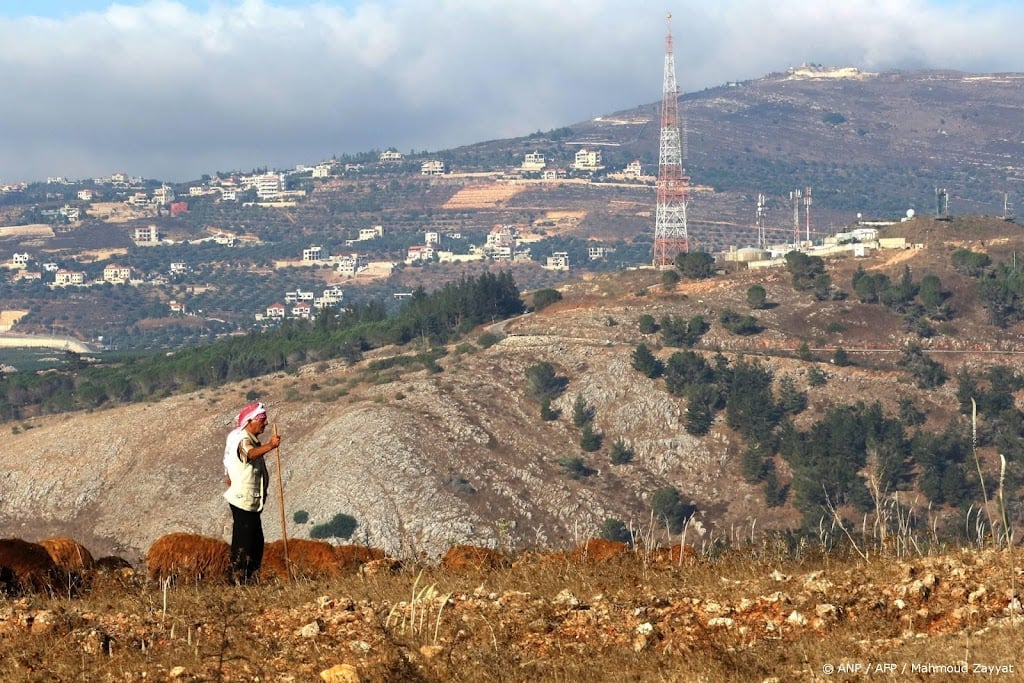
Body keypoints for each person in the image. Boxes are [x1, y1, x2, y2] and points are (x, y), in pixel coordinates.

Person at [223, 401, 281, 584]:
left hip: (250, 501)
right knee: (245, 543)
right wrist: (270, 446)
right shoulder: (243, 439)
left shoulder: (248, 438)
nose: (265, 423)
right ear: (250, 421)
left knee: (255, 542)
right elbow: (248, 454)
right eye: (262, 420)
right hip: (243, 500)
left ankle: (249, 579)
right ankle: (238, 580)